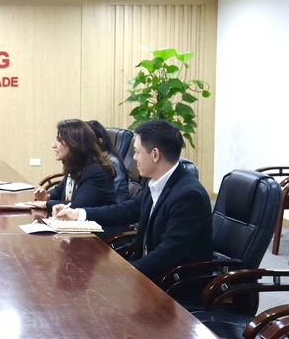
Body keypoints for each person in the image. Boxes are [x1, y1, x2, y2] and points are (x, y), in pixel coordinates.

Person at [54, 119, 212, 281]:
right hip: (153, 273)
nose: (134, 158)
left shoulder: (188, 195)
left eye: (136, 152)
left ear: (155, 154)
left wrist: (125, 272)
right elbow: (125, 211)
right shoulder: (157, 182)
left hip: (176, 282)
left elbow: (169, 252)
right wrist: (78, 214)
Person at [24, 119, 116, 212]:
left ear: (75, 144)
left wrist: (46, 204)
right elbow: (58, 191)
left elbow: (77, 206)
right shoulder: (76, 166)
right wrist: (47, 196)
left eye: (59, 140)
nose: (53, 145)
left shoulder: (94, 172)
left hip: (101, 226)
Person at [87, 120, 130, 202]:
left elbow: (107, 194)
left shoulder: (111, 162)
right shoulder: (93, 159)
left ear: (100, 141)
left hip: (114, 210)